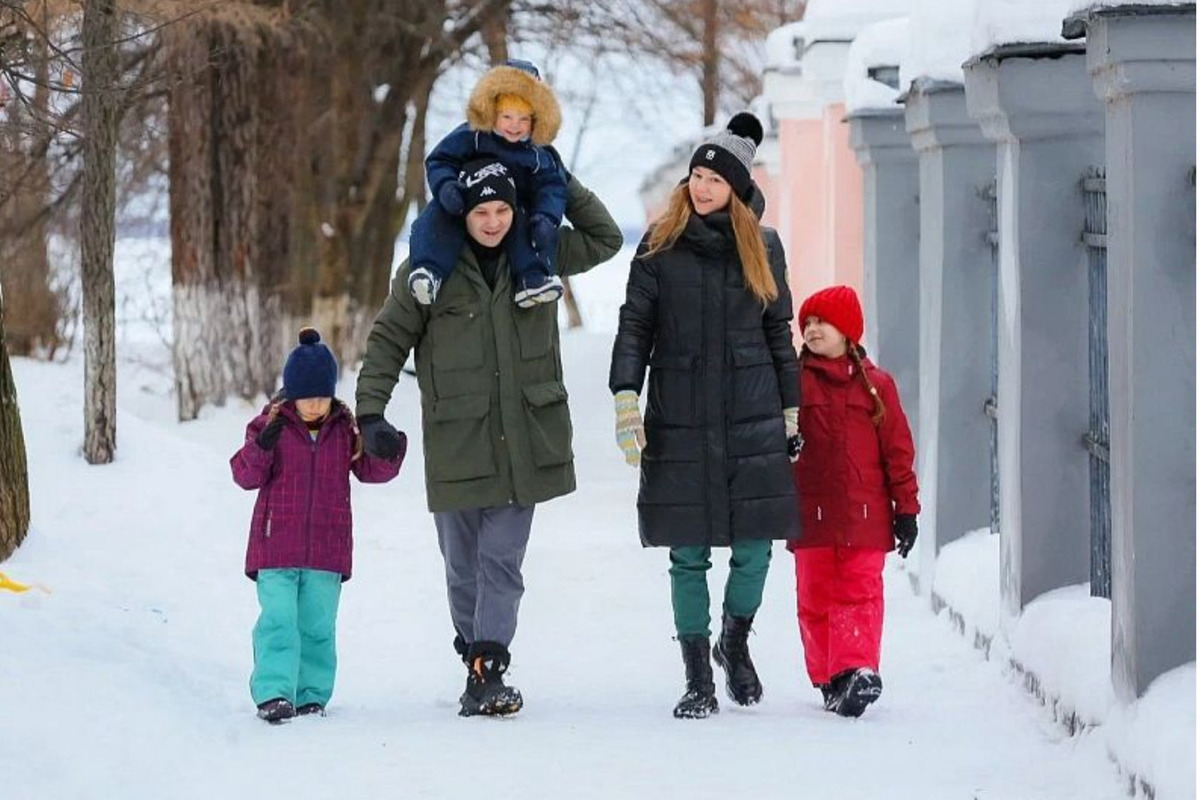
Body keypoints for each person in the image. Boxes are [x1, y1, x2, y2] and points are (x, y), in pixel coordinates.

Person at [355, 159, 622, 717]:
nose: (495, 221)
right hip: (458, 438)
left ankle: (489, 665)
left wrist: (556, 178)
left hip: (523, 437)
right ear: (464, 212)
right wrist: (370, 413)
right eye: (483, 211)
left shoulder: (539, 251)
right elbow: (386, 341)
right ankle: (474, 655)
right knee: (462, 565)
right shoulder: (429, 269)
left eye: (503, 209)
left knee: (502, 560)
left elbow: (606, 237)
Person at [608, 112, 802, 720]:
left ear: (738, 188)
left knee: (756, 546)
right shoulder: (659, 244)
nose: (702, 186)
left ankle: (734, 643)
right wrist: (624, 398)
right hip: (681, 412)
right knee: (686, 550)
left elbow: (778, 331)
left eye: (715, 179)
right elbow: (635, 325)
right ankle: (696, 674)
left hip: (752, 413)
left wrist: (792, 409)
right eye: (696, 175)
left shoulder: (764, 246)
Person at [231, 328, 405, 723]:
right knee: (277, 621)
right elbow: (244, 475)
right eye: (307, 397)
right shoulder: (270, 425)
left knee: (317, 626)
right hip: (275, 548)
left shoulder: (345, 428)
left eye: (321, 397)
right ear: (292, 394)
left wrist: (389, 449)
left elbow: (371, 471)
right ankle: (274, 692)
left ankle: (311, 694)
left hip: (326, 550)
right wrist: (263, 446)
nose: (314, 405)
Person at [788, 285, 919, 718]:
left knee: (860, 591)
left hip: (866, 513)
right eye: (806, 323)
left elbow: (898, 450)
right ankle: (829, 676)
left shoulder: (877, 387)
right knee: (815, 595)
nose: (812, 329)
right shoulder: (792, 382)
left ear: (848, 331)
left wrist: (907, 510)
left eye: (822, 321)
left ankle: (856, 669)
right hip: (811, 513)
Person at [408, 58, 568, 308]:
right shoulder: (472, 136)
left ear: (536, 120)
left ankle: (531, 280)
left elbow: (552, 187)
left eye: (524, 119)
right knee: (437, 216)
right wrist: (446, 186)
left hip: (514, 211)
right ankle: (428, 270)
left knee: (528, 228)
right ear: (492, 112)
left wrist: (547, 217)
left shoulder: (538, 155)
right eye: (507, 116)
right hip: (468, 202)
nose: (515, 126)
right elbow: (440, 159)